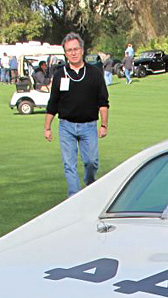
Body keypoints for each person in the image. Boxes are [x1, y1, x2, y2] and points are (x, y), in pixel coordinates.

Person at [43, 32, 109, 197]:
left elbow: (103, 102)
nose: (73, 53)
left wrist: (104, 124)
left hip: (89, 126)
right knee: (69, 164)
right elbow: (53, 103)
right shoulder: (60, 75)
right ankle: (74, 197)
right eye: (69, 50)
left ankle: (90, 184)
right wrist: (47, 127)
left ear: (82, 50)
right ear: (65, 53)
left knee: (91, 162)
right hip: (67, 126)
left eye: (76, 49)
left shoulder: (94, 74)